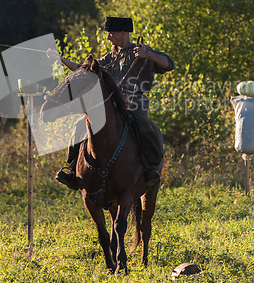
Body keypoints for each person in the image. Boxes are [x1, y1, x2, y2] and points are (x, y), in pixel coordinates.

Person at [46, 16, 175, 190]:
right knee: (80, 125)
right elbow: (82, 70)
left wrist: (148, 54)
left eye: (110, 34)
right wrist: (60, 59)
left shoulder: (141, 51)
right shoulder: (110, 56)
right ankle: (72, 170)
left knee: (142, 122)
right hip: (112, 101)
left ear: (122, 33)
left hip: (135, 101)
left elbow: (169, 64)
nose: (108, 38)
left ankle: (150, 169)